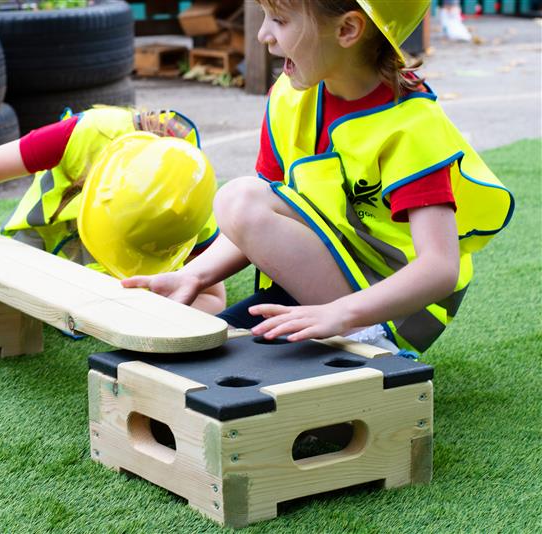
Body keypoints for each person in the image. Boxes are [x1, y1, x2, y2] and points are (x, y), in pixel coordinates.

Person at [122, 0, 513, 356]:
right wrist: (194, 274)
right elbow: (263, 220)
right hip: (326, 284)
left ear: (347, 30)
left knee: (239, 198)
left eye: (279, 20)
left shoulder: (411, 126)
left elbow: (440, 268)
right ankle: (330, 327)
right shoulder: (291, 97)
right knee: (189, 361)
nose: (263, 36)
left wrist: (343, 314)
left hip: (392, 311)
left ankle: (370, 344)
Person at [0, 106, 226, 314]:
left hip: (122, 274)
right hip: (37, 242)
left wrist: (158, 307)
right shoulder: (85, 133)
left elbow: (213, 298)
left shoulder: (190, 205)